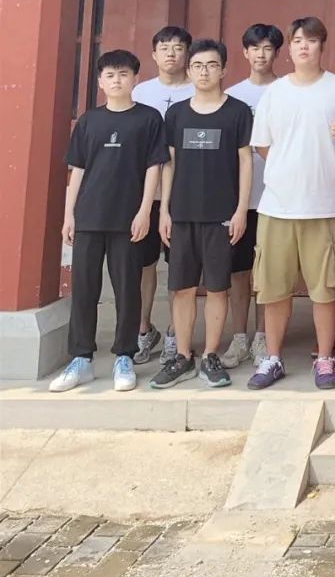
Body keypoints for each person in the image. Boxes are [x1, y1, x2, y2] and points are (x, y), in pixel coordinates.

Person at [247, 17, 335, 391]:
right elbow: (263, 145)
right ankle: (273, 358)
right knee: (273, 287)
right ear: (289, 49)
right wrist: (288, 169)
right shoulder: (275, 93)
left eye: (311, 41)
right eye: (297, 41)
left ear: (322, 46)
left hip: (325, 205)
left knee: (325, 288)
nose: (304, 47)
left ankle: (325, 357)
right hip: (277, 206)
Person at [50, 50, 168, 393]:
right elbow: (78, 170)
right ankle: (81, 358)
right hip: (89, 216)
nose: (117, 80)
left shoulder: (148, 119)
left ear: (135, 79)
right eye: (110, 75)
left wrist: (145, 211)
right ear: (100, 82)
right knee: (84, 289)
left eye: (123, 74)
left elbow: (154, 167)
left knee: (127, 289)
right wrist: (69, 215)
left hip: (128, 219)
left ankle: (124, 356)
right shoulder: (89, 121)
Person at [152, 39, 253, 389]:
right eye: (197, 65)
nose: (204, 71)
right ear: (189, 70)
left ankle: (211, 355)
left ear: (223, 69)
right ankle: (183, 356)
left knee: (217, 288)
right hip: (182, 214)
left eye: (211, 65)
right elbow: (168, 163)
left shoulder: (237, 111)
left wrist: (240, 210)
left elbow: (245, 161)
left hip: (221, 215)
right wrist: (164, 210)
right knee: (181, 288)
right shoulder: (177, 113)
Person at [130, 26, 194, 369]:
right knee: (144, 264)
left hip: (185, 193)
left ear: (187, 53)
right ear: (154, 54)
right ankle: (144, 329)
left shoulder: (199, 88)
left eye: (178, 47)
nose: (171, 53)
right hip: (146, 194)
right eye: (164, 47)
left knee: (179, 265)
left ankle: (174, 333)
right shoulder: (140, 91)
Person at [221, 23, 282, 369]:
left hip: (275, 198)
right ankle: (239, 337)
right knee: (238, 271)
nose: (261, 54)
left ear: (277, 53)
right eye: (255, 48)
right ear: (244, 52)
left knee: (268, 272)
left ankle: (262, 337)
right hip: (238, 200)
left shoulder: (286, 91)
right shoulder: (232, 96)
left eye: (267, 48)